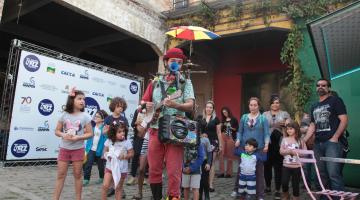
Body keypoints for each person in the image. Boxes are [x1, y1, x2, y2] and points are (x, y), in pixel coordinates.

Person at [138, 47, 195, 200]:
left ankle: (173, 197)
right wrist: (146, 106)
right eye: (173, 61)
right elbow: (142, 103)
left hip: (175, 131)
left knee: (173, 171)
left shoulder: (185, 83)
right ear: (166, 62)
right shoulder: (155, 82)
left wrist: (176, 105)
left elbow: (190, 105)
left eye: (179, 62)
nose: (176, 64)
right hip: (155, 129)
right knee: (154, 169)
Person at [303, 78, 348, 195]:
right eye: (318, 85)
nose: (320, 87)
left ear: (329, 88)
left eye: (323, 85)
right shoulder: (314, 105)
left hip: (332, 143)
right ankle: (325, 198)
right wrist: (304, 140)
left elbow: (343, 120)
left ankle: (339, 198)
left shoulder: (335, 101)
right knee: (321, 174)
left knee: (333, 174)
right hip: (317, 144)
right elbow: (313, 125)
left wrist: (335, 137)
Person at [53, 88, 93, 200]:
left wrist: (78, 137)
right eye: (79, 99)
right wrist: (63, 135)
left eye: (83, 99)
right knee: (61, 175)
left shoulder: (85, 116)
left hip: (78, 149)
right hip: (64, 149)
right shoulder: (64, 115)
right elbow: (56, 131)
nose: (82, 101)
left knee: (78, 175)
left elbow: (90, 133)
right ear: (72, 100)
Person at [235, 97, 270, 200]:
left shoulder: (263, 119)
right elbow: (240, 132)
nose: (253, 107)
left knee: (258, 173)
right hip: (244, 149)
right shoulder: (244, 117)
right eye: (251, 105)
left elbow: (266, 133)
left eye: (255, 105)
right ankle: (240, 193)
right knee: (242, 171)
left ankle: (259, 195)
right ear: (248, 106)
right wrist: (238, 140)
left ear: (258, 106)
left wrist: (267, 144)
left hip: (259, 149)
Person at [263, 95, 290, 199]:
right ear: (270, 104)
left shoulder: (284, 114)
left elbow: (290, 126)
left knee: (278, 167)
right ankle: (268, 186)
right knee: (267, 166)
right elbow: (261, 127)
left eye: (277, 102)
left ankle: (278, 189)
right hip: (267, 143)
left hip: (279, 143)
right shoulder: (265, 114)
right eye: (273, 102)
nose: (275, 104)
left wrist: (285, 124)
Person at [101, 121, 134, 200]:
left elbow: (132, 153)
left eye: (123, 131)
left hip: (122, 169)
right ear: (113, 133)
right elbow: (104, 151)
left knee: (118, 188)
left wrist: (125, 156)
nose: (122, 133)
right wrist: (107, 155)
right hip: (110, 167)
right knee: (105, 186)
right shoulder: (109, 141)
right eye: (119, 132)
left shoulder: (127, 142)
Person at [104, 97, 129, 197]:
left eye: (122, 107)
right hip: (111, 147)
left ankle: (119, 188)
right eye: (118, 106)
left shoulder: (124, 119)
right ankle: (111, 187)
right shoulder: (108, 119)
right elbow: (104, 133)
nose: (120, 109)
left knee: (120, 167)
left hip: (121, 147)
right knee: (111, 167)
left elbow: (126, 133)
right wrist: (105, 132)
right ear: (113, 106)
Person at [198, 101, 223, 192]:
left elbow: (219, 133)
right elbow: (196, 129)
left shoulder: (216, 119)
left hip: (213, 142)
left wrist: (220, 145)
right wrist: (200, 135)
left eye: (211, 107)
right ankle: (201, 182)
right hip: (202, 142)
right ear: (205, 108)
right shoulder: (200, 118)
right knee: (202, 161)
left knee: (211, 163)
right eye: (207, 107)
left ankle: (210, 184)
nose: (209, 109)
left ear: (213, 109)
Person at [280, 121, 307, 200]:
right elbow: (281, 151)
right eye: (287, 129)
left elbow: (305, 152)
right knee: (284, 182)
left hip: (297, 166)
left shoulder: (300, 141)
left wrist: (298, 153)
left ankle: (295, 197)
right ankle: (286, 194)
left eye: (291, 129)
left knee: (296, 184)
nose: (289, 130)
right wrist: (289, 151)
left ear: (296, 129)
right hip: (286, 166)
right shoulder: (285, 139)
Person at [83, 110, 109, 186]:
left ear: (103, 119)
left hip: (100, 150)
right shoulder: (92, 127)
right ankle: (86, 179)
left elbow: (106, 139)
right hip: (91, 149)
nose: (95, 117)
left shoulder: (105, 128)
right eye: (95, 116)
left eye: (98, 116)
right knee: (88, 164)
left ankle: (102, 178)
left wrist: (104, 152)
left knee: (101, 166)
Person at [219, 107, 239, 178]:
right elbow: (220, 130)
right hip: (222, 136)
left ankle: (229, 173)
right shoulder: (222, 120)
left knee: (230, 155)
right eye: (223, 113)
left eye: (225, 112)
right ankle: (221, 172)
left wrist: (230, 127)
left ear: (228, 112)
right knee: (221, 153)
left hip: (230, 136)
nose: (224, 114)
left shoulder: (234, 119)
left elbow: (236, 129)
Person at [128, 107, 145, 186]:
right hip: (138, 137)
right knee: (135, 156)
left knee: (145, 157)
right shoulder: (138, 110)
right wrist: (136, 123)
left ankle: (144, 177)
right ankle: (133, 176)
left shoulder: (153, 110)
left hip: (148, 137)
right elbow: (132, 124)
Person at [199, 131, 213, 200]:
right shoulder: (190, 138)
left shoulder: (205, 140)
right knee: (198, 181)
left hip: (204, 162)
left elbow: (210, 152)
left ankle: (207, 195)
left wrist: (208, 163)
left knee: (204, 180)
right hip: (195, 163)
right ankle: (199, 195)